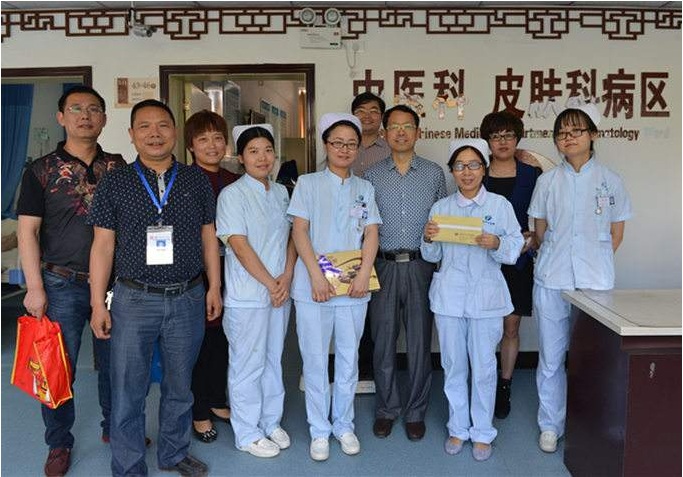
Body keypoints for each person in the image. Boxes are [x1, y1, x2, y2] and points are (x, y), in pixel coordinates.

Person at [88, 99, 221, 477]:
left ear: (175, 132)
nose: (154, 134)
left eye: (162, 125)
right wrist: (97, 304)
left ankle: (174, 453)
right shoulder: (115, 181)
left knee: (180, 385)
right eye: (144, 127)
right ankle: (128, 465)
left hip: (188, 296)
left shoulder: (195, 180)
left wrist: (214, 287)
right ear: (132, 135)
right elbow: (102, 246)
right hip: (133, 299)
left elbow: (209, 237)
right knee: (128, 388)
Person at [16, 85, 126, 477]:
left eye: (93, 109)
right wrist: (34, 287)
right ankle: (59, 442)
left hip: (113, 286)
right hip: (60, 283)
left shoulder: (119, 167)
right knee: (57, 369)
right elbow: (27, 232)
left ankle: (115, 428)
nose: (85, 115)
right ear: (61, 117)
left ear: (104, 119)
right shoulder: (40, 170)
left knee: (116, 365)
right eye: (76, 108)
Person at [528, 103, 632, 453]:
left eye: (576, 131)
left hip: (595, 281)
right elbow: (539, 231)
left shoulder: (611, 180)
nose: (568, 138)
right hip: (552, 277)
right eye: (561, 133)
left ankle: (594, 422)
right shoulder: (547, 181)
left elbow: (616, 234)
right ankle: (550, 424)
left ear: (593, 135)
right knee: (551, 357)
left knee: (596, 355)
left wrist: (593, 262)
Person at [422, 139, 523, 461]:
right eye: (460, 166)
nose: (467, 172)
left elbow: (514, 247)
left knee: (483, 367)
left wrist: (497, 244)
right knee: (453, 365)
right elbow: (432, 255)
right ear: (452, 171)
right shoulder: (441, 208)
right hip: (449, 297)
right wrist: (427, 238)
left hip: (486, 298)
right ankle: (457, 427)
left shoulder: (499, 206)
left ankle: (482, 431)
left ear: (484, 169)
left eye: (474, 165)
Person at [288, 113, 381, 461]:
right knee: (314, 360)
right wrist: (315, 276)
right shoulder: (307, 183)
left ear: (358, 149)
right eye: (337, 143)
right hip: (313, 288)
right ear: (326, 145)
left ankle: (343, 424)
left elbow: (371, 233)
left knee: (348, 358)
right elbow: (299, 231)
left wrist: (364, 274)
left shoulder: (364, 188)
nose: (344, 149)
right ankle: (319, 430)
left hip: (353, 288)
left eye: (351, 144)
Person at [364, 105, 447, 441]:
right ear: (384, 134)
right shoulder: (371, 176)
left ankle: (415, 412)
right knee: (382, 342)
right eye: (394, 127)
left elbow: (442, 222)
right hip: (382, 265)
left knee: (419, 343)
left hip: (420, 266)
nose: (400, 132)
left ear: (418, 132)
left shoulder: (434, 174)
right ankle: (386, 409)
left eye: (407, 126)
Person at [216, 123, 296, 458]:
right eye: (253, 151)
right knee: (247, 364)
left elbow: (292, 238)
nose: (262, 158)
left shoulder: (281, 193)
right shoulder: (232, 195)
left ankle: (270, 421)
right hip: (248, 295)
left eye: (267, 150)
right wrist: (271, 283)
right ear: (240, 157)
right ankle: (247, 432)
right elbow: (239, 245)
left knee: (273, 359)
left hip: (279, 292)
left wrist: (286, 278)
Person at [480, 111, 543, 419]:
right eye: (495, 136)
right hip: (483, 260)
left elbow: (543, 214)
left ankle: (504, 384)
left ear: (518, 138)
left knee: (511, 325)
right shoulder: (478, 172)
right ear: (487, 141)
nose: (502, 142)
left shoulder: (532, 174)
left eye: (508, 135)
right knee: (483, 325)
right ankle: (483, 381)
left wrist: (535, 237)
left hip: (518, 260)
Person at [184, 110, 239, 443]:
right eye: (203, 139)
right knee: (200, 342)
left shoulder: (235, 180)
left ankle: (218, 399)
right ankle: (199, 410)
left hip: (233, 269)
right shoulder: (182, 180)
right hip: (196, 273)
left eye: (218, 138)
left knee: (223, 339)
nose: (212, 145)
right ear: (191, 145)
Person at [350, 91, 391, 394]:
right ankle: (355, 367)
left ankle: (375, 368)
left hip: (381, 240)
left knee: (379, 311)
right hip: (348, 243)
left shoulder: (391, 149)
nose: (367, 116)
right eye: (361, 111)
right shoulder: (343, 146)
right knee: (353, 305)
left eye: (374, 111)